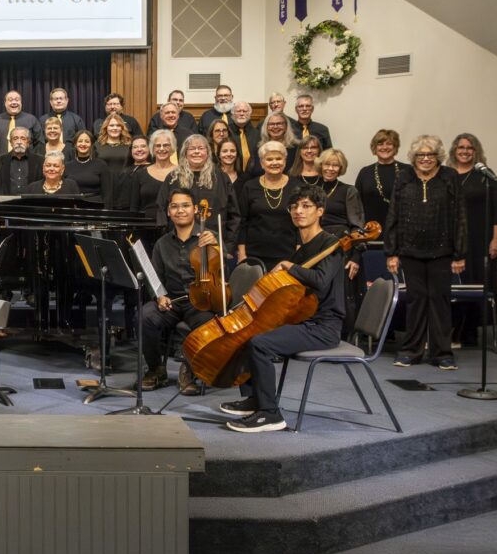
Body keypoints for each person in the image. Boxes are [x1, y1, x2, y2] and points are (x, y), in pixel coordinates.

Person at [220, 185, 344, 432]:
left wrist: (289, 266)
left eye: (306, 206)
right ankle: (256, 398)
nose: (299, 211)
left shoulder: (332, 245)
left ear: (320, 211)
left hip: (323, 326)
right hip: (303, 319)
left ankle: (270, 414)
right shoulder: (303, 247)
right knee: (248, 333)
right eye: (295, 206)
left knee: (260, 343)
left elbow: (319, 280)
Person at [385, 135, 466, 370]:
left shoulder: (449, 177)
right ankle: (411, 351)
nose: (425, 159)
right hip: (410, 251)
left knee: (440, 302)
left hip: (442, 252)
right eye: (421, 155)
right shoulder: (404, 178)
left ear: (438, 156)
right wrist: (392, 252)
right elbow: (393, 216)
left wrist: (459, 254)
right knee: (416, 301)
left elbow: (460, 216)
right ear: (414, 157)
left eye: (430, 155)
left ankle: (442, 353)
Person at [139, 189, 217, 394]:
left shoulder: (209, 237)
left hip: (199, 301)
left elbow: (222, 272)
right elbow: (155, 278)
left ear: (195, 210)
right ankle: (156, 369)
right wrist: (159, 296)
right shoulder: (162, 244)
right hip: (172, 301)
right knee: (145, 316)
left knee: (207, 322)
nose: (180, 210)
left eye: (185, 205)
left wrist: (216, 246)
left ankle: (190, 371)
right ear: (168, 212)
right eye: (174, 206)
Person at [447, 133, 497, 345]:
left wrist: (496, 240)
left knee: (475, 282)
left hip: (480, 240)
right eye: (461, 147)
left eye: (469, 148)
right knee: (455, 285)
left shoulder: (486, 177)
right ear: (454, 150)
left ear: (476, 151)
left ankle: (469, 332)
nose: (465, 151)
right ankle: (453, 329)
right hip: (453, 240)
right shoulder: (446, 175)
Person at [157, 135, 240, 247]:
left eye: (201, 148)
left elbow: (234, 215)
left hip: (214, 245)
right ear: (185, 153)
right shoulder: (173, 178)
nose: (196, 152)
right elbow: (161, 210)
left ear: (208, 152)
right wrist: (168, 241)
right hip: (179, 245)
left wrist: (227, 247)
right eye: (192, 148)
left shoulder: (221, 177)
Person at [318, 148, 365, 337]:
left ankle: (343, 337)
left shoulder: (349, 191)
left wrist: (356, 256)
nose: (330, 168)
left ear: (341, 168)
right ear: (320, 165)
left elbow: (358, 228)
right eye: (327, 164)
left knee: (342, 295)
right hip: (317, 246)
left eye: (335, 165)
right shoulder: (313, 190)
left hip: (342, 248)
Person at [237, 141, 302, 272]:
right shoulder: (250, 186)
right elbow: (242, 221)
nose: (274, 163)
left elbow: (301, 220)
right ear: (261, 163)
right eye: (269, 159)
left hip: (288, 254)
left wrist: (299, 251)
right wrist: (242, 254)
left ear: (285, 161)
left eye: (278, 158)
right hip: (254, 254)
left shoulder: (297, 186)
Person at [354, 129, 410, 226]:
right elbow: (357, 205)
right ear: (374, 148)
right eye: (380, 144)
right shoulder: (365, 172)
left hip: (401, 228)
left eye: (389, 144)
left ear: (395, 147)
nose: (385, 147)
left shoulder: (408, 171)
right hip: (371, 229)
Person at [129, 129, 176, 228]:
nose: (162, 149)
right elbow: (134, 208)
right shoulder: (140, 174)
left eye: (166, 145)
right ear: (152, 149)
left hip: (175, 226)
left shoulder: (181, 173)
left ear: (172, 148)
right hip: (146, 227)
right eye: (158, 145)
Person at [0, 127, 43, 201]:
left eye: (23, 138)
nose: (19, 142)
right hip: (5, 207)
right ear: (11, 142)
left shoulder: (39, 161)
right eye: (15, 138)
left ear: (28, 142)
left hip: (31, 207)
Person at [58, 132, 108, 202]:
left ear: (91, 144)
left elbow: (107, 193)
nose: (83, 144)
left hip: (96, 205)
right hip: (73, 206)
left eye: (87, 141)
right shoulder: (67, 166)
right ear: (75, 144)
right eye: (80, 141)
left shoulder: (101, 165)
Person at [247, 112, 297, 178]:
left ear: (286, 126)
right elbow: (252, 171)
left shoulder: (296, 148)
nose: (275, 127)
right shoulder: (258, 147)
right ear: (266, 127)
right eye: (271, 124)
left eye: (279, 123)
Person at [114, 135, 151, 210]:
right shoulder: (125, 170)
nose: (139, 149)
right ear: (131, 151)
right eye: (135, 147)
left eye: (143, 146)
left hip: (142, 214)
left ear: (150, 149)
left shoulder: (153, 170)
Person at [94, 113, 132, 178]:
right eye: (111, 125)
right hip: (103, 182)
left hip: (125, 182)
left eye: (118, 125)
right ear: (106, 127)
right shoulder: (97, 145)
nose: (115, 128)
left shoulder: (129, 145)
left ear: (122, 128)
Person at [229, 101, 259, 176]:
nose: (242, 114)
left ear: (249, 114)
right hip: (232, 175)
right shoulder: (227, 133)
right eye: (238, 111)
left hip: (254, 176)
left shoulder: (258, 134)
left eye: (245, 111)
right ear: (233, 114)